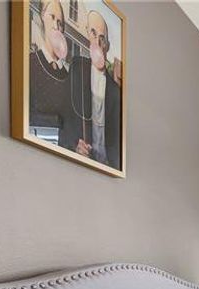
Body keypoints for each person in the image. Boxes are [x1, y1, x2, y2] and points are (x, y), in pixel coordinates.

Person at [62, 10, 121, 170]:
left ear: (107, 46)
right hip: (80, 162)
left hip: (106, 165)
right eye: (93, 34)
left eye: (102, 39)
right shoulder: (77, 70)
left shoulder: (115, 92)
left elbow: (116, 141)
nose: (98, 42)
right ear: (88, 34)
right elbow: (64, 116)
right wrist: (74, 143)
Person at [28, 0, 72, 143]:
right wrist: (56, 121)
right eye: (52, 17)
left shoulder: (68, 76)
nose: (56, 26)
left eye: (60, 23)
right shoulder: (31, 63)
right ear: (42, 16)